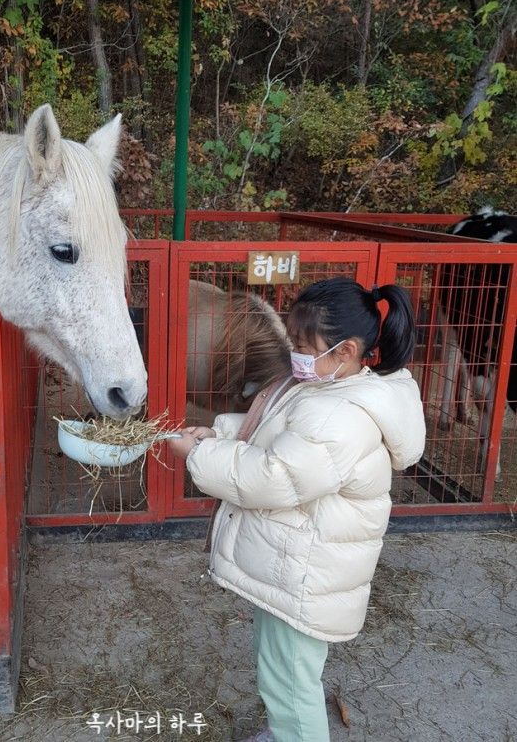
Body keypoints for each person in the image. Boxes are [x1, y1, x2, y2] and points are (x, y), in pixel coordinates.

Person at [168, 277, 426, 742]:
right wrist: (221, 433)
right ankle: (284, 731)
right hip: (293, 564)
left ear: (345, 351)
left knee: (290, 679)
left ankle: (297, 734)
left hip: (308, 573)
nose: (294, 353)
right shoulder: (328, 387)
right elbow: (279, 429)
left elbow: (275, 477)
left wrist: (199, 457)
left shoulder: (342, 417)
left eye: (304, 345)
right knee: (281, 669)